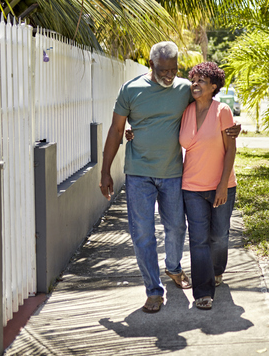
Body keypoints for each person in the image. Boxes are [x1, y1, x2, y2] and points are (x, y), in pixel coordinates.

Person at [99, 42, 240, 314]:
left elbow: (210, 103)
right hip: (138, 172)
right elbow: (117, 130)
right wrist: (105, 170)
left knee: (176, 228)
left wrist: (233, 127)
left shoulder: (183, 90)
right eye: (163, 70)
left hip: (174, 173)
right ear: (151, 65)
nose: (169, 76)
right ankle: (153, 291)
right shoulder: (130, 90)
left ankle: (173, 267)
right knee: (142, 233)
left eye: (174, 70)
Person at [180, 62, 237, 310]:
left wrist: (223, 185)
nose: (195, 84)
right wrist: (134, 133)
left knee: (219, 236)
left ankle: (216, 270)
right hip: (191, 186)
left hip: (221, 185)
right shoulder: (185, 111)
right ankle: (203, 291)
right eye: (194, 79)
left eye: (202, 81)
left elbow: (231, 148)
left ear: (213, 87)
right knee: (198, 239)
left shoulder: (222, 110)